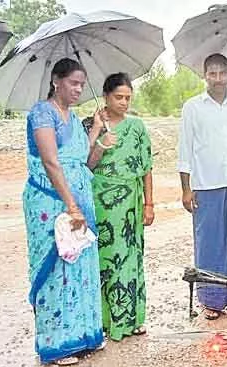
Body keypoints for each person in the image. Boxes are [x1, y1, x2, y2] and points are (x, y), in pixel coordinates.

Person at [24, 58, 105, 365]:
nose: (78, 89)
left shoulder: (71, 116)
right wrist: (70, 205)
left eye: (82, 84)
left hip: (79, 200)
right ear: (56, 81)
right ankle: (57, 343)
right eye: (73, 83)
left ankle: (84, 334)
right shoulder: (42, 112)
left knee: (81, 264)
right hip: (51, 202)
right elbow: (50, 161)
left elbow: (80, 158)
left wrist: (95, 129)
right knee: (56, 266)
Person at [178, 54, 227, 320]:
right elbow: (185, 150)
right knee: (210, 243)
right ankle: (211, 301)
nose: (218, 78)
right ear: (205, 75)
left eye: (222, 73)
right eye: (212, 73)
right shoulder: (192, 107)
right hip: (206, 184)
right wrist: (186, 189)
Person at [84, 73, 154, 341]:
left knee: (130, 257)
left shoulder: (137, 126)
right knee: (103, 259)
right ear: (105, 96)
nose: (124, 102)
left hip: (130, 203)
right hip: (100, 201)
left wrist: (149, 203)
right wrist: (100, 141)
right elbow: (84, 165)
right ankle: (104, 320)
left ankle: (133, 318)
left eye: (128, 98)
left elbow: (147, 168)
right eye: (118, 97)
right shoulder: (90, 125)